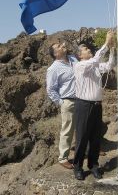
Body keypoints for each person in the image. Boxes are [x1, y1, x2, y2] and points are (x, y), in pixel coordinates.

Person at [73, 31, 115, 180]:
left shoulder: (95, 65)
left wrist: (112, 48)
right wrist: (106, 42)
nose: (88, 49)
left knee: (95, 138)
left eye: (87, 48)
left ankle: (94, 165)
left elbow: (110, 65)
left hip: (97, 105)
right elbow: (96, 59)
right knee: (82, 138)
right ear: (80, 55)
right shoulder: (80, 66)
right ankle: (77, 167)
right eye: (84, 49)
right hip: (83, 106)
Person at [46, 41, 77, 169]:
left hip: (82, 99)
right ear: (55, 54)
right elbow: (50, 89)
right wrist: (61, 102)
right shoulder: (53, 69)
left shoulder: (73, 59)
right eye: (58, 46)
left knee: (84, 126)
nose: (62, 45)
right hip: (68, 101)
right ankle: (63, 158)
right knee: (67, 130)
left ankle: (85, 149)